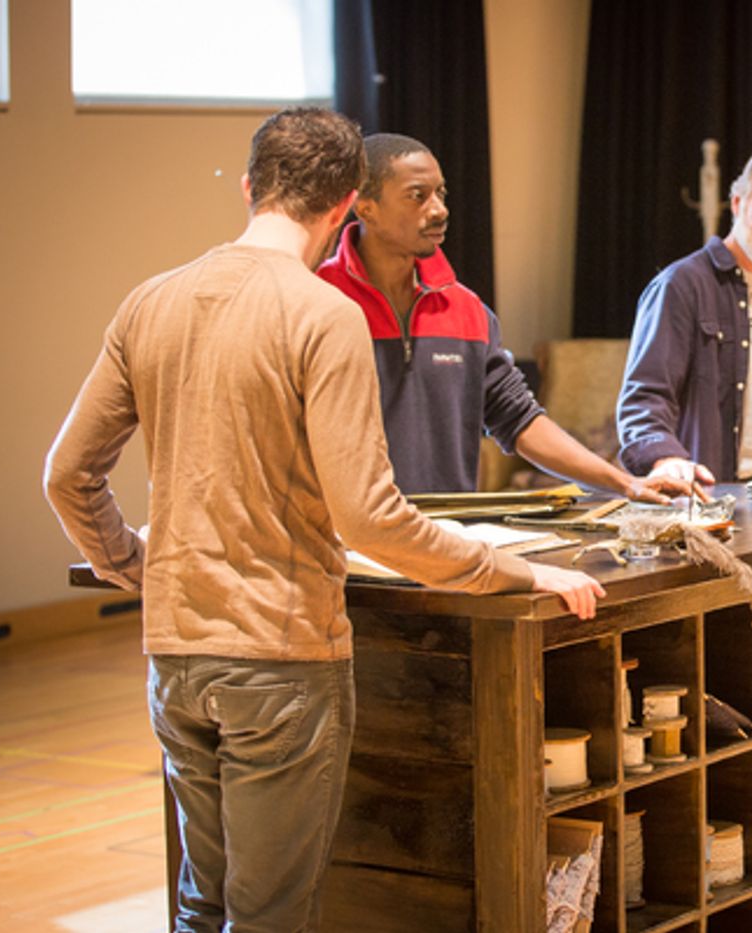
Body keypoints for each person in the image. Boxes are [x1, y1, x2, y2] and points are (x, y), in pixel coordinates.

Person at [43, 108, 603, 932]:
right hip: (280, 657)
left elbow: (67, 474)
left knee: (202, 905)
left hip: (175, 655)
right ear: (347, 204)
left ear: (247, 187)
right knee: (272, 915)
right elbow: (372, 518)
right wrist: (520, 571)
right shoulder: (323, 314)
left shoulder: (148, 302)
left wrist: (130, 561)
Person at [318, 133, 685, 503]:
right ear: (364, 207)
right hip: (341, 549)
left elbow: (519, 420)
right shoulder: (316, 300)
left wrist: (624, 483)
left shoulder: (467, 310)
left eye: (441, 193)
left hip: (445, 540)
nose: (439, 209)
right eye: (418, 195)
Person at [615, 144, 752, 487]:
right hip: (725, 494)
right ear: (737, 203)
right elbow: (644, 397)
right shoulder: (682, 285)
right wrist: (664, 457)